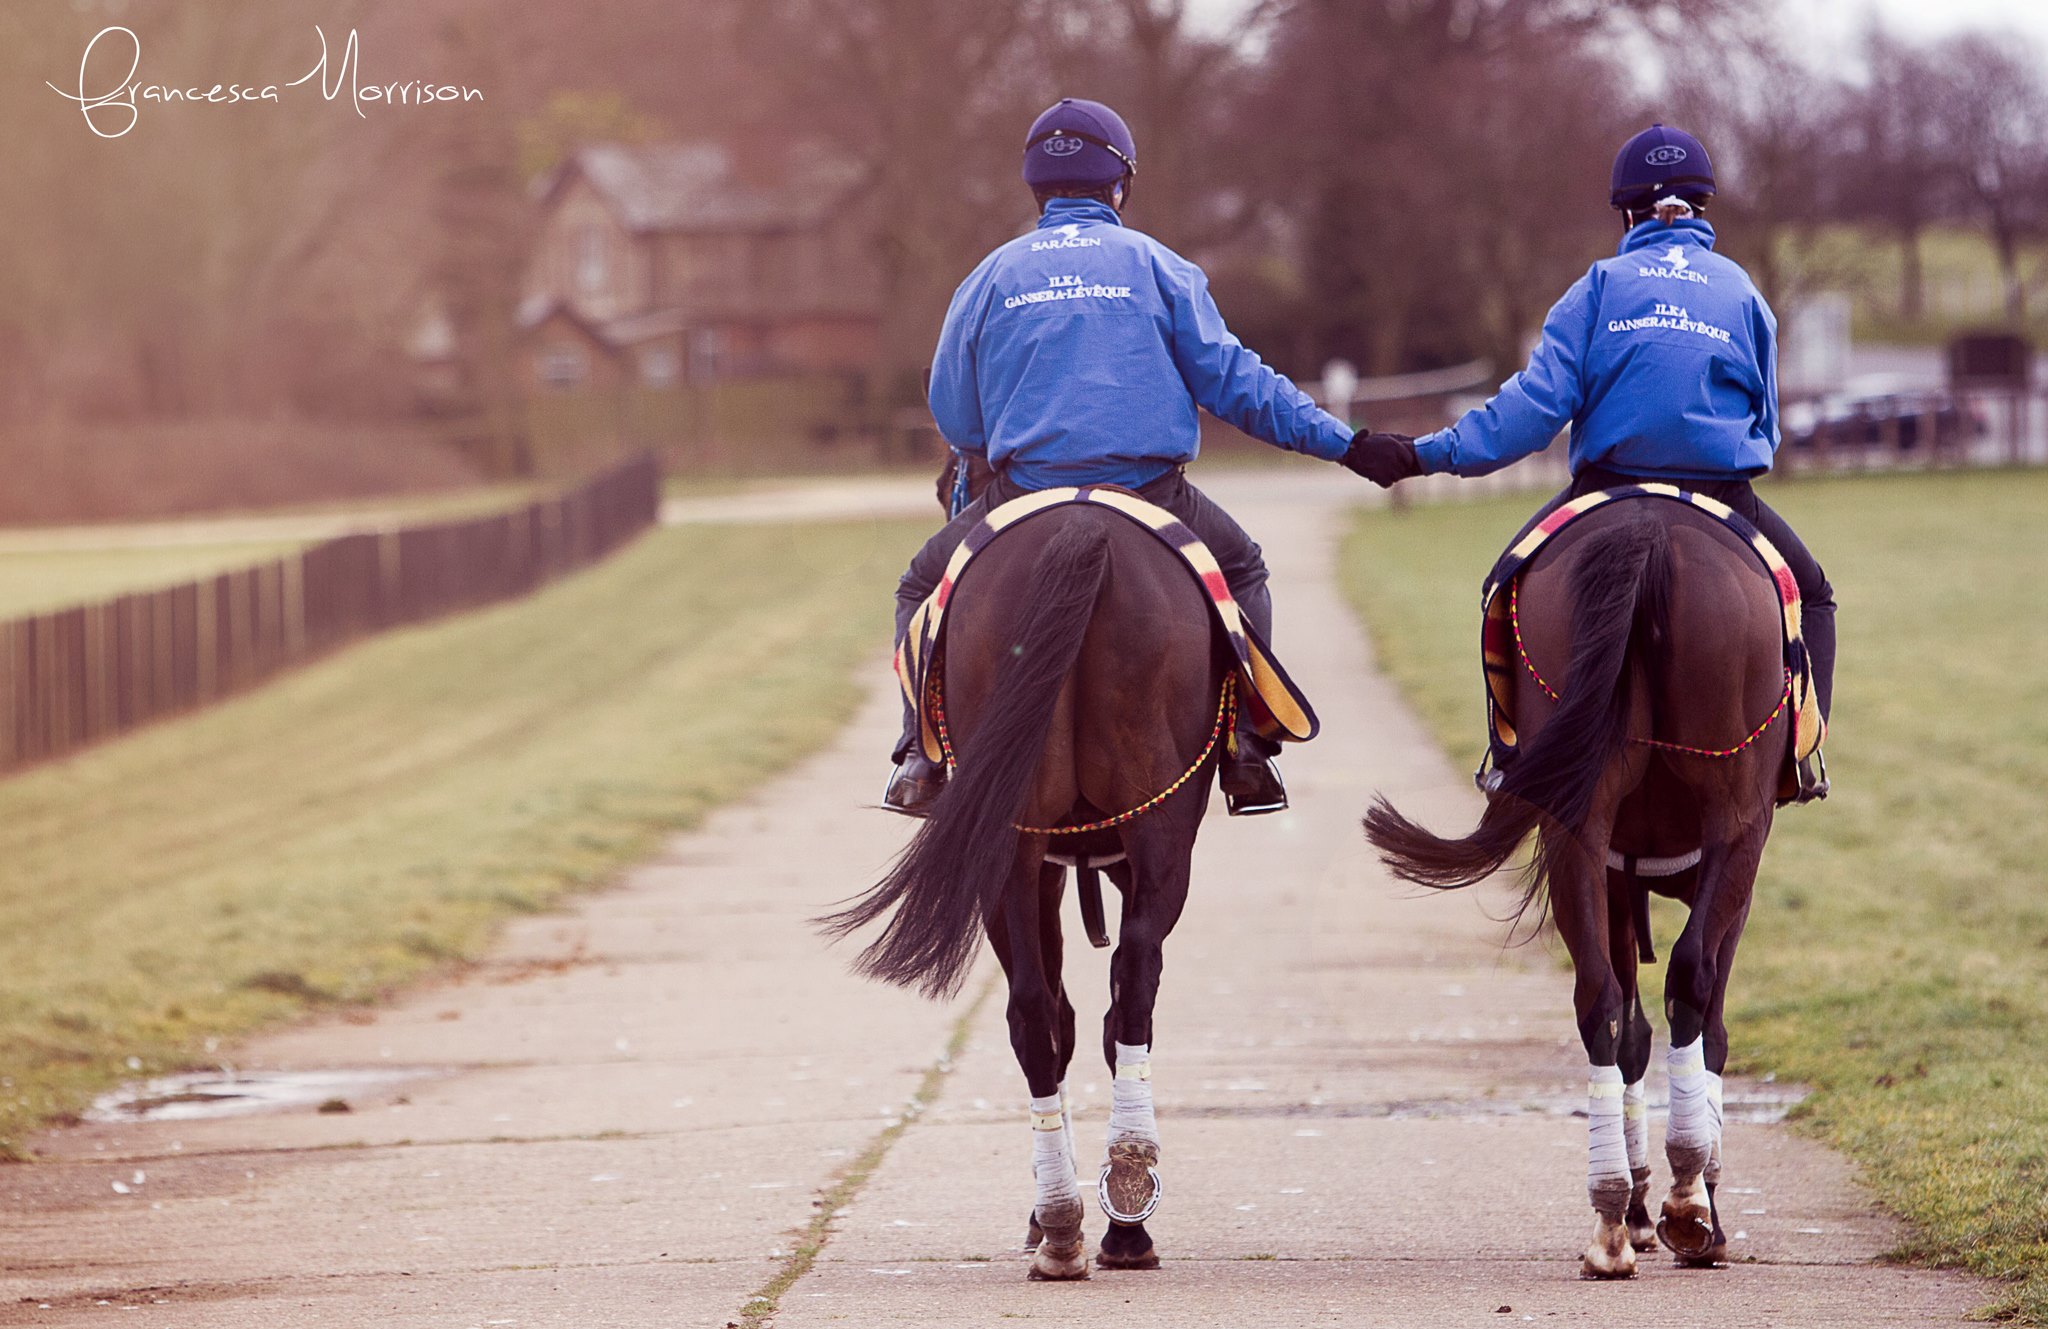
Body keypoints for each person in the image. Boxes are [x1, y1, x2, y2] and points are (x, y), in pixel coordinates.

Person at [884, 97, 1382, 818]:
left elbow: (957, 417)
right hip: (1151, 495)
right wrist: (1348, 443)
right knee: (1243, 569)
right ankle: (1247, 749)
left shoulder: (988, 277)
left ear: (1034, 185)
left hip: (1022, 495)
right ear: (1119, 185)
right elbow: (1241, 387)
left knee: (917, 588)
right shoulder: (1159, 267)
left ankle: (918, 756)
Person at [1345, 123, 1834, 802]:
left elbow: (1530, 413)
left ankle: (1507, 755)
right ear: (1702, 206)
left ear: (1628, 213)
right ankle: (1803, 755)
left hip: (1607, 487)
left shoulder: (1599, 287)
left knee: (1502, 587)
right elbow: (1766, 428)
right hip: (1723, 496)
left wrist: (1425, 455)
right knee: (1813, 595)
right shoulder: (1744, 294)